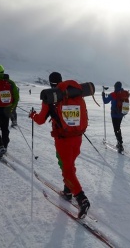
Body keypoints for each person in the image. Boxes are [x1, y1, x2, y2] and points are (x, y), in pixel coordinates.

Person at [29, 72, 90, 219]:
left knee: (67, 169)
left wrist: (32, 115)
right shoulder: (75, 94)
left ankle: (81, 199)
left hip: (63, 140)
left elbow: (41, 120)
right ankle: (67, 191)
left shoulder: (51, 97)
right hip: (77, 137)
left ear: (50, 83)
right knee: (69, 165)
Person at [101, 81, 127, 153]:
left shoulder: (113, 94)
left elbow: (105, 101)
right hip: (121, 114)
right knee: (118, 127)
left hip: (114, 114)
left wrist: (103, 95)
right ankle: (119, 143)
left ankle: (120, 144)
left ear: (115, 87)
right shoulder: (123, 94)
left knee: (116, 129)